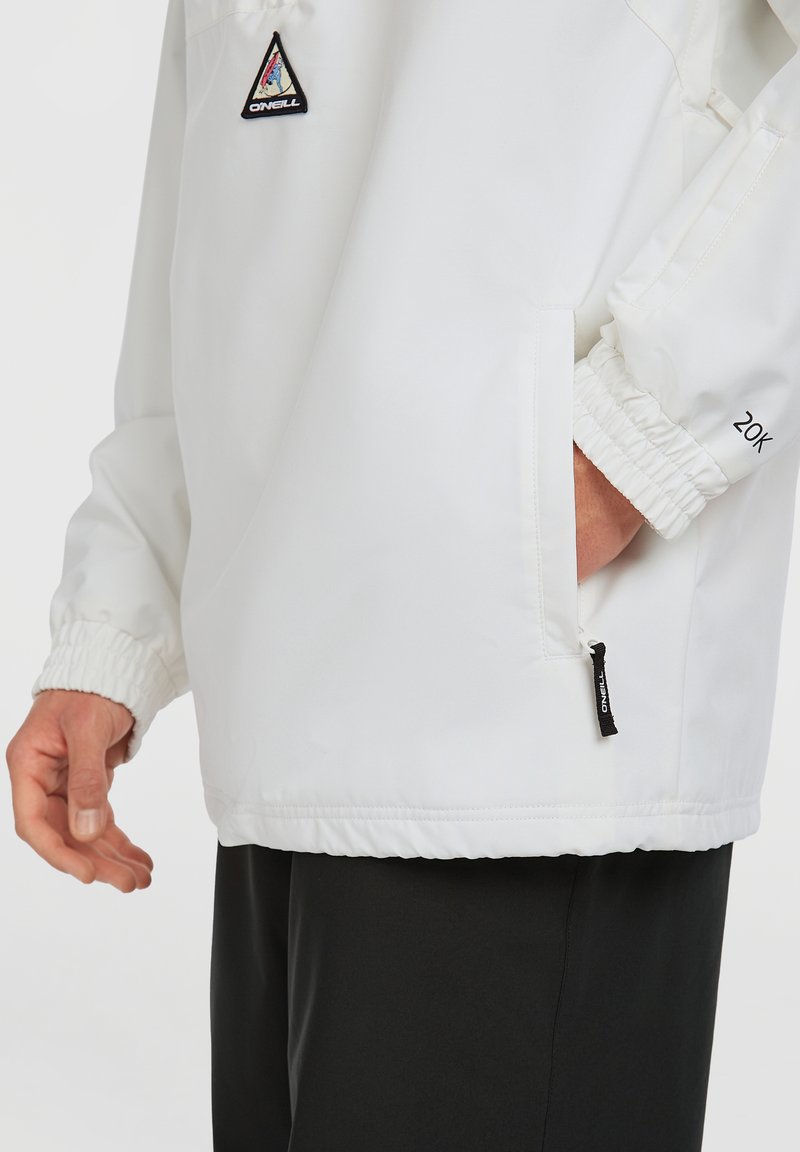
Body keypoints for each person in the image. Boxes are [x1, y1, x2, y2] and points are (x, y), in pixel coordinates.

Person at [6, 1, 800, 1148]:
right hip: (281, 731)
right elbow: (210, 230)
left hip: (527, 750)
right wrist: (112, 627)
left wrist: (641, 442)